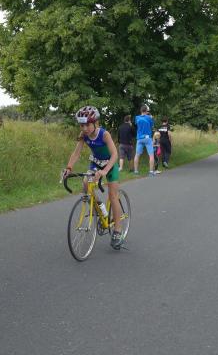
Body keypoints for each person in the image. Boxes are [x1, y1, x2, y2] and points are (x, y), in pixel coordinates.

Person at [64, 106, 125, 249]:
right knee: (86, 183)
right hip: (96, 163)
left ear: (95, 123)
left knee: (113, 196)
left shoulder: (104, 134)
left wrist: (105, 171)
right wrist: (69, 168)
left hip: (110, 165)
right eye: (82, 125)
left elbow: (115, 155)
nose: (84, 128)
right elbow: (76, 153)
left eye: (87, 125)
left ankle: (118, 230)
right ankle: (100, 208)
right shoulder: (83, 135)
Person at [133, 104, 156, 176]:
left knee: (137, 155)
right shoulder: (149, 118)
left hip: (139, 138)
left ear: (141, 111)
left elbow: (137, 124)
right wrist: (151, 118)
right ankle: (151, 172)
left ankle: (136, 172)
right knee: (151, 155)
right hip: (148, 138)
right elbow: (152, 126)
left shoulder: (137, 118)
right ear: (146, 111)